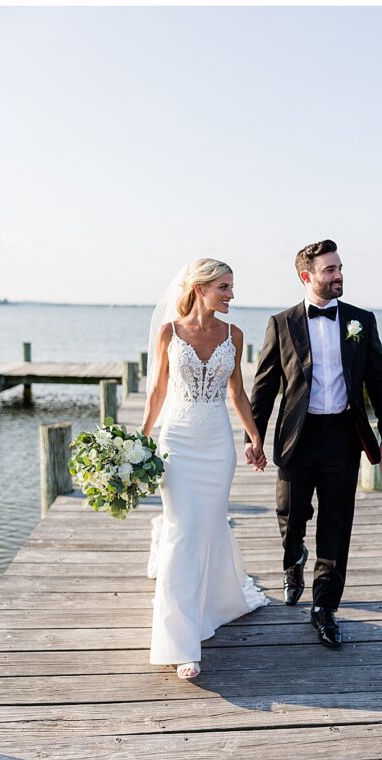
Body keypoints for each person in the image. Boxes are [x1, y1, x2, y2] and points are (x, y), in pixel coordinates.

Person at [248, 239, 382, 649]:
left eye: (340, 268)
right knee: (291, 515)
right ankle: (293, 560)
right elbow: (264, 386)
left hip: (343, 437)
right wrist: (254, 436)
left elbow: (380, 380)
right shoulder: (281, 323)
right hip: (297, 436)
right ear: (307, 276)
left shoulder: (360, 321)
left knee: (336, 523)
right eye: (329, 270)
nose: (339, 275)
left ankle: (324, 608)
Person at [141, 258, 269, 679]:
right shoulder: (169, 332)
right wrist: (139, 439)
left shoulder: (234, 334)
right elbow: (158, 389)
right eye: (225, 288)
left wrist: (254, 438)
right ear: (201, 288)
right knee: (181, 530)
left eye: (231, 288)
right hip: (176, 441)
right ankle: (180, 642)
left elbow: (238, 393)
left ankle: (212, 605)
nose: (231, 295)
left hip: (217, 445)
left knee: (209, 526)